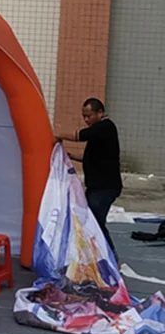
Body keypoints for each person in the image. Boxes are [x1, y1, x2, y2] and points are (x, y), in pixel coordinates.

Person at [55, 98, 122, 263]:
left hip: (105, 187)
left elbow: (81, 135)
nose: (86, 119)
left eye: (89, 116)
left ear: (100, 113)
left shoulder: (105, 127)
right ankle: (95, 255)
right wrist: (71, 156)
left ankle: (111, 258)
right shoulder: (99, 133)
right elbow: (92, 157)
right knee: (90, 220)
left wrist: (57, 134)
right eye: (83, 116)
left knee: (96, 223)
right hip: (96, 187)